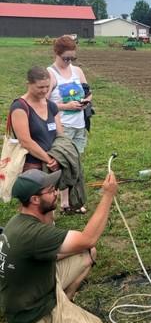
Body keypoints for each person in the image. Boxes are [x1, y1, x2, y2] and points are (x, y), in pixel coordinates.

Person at [0, 168, 118, 323]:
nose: (56, 192)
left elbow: (81, 247)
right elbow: (88, 238)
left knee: (87, 253)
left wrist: (49, 208)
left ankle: (65, 301)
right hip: (32, 314)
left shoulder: (21, 219)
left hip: (34, 290)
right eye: (50, 190)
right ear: (34, 199)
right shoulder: (34, 234)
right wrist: (108, 195)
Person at [47, 35, 91, 213]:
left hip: (79, 125)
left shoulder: (77, 71)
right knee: (64, 164)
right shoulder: (50, 74)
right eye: (66, 58)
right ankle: (62, 202)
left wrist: (86, 101)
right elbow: (44, 102)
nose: (69, 61)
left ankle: (74, 200)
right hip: (62, 126)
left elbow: (88, 92)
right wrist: (66, 105)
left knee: (76, 164)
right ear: (56, 54)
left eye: (72, 58)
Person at [10, 66, 63, 172]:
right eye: (40, 87)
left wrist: (58, 157)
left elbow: (60, 135)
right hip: (31, 166)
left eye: (47, 86)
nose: (45, 91)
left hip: (54, 162)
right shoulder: (20, 108)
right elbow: (26, 142)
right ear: (28, 84)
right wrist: (48, 160)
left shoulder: (51, 106)